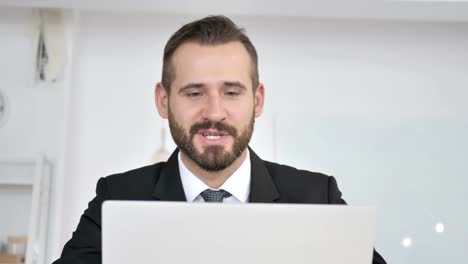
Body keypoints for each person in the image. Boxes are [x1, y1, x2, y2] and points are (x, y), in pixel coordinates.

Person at [53, 15, 386, 264]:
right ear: (163, 100)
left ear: (257, 100)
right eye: (195, 92)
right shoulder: (118, 199)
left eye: (231, 92)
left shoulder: (317, 198)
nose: (214, 112)